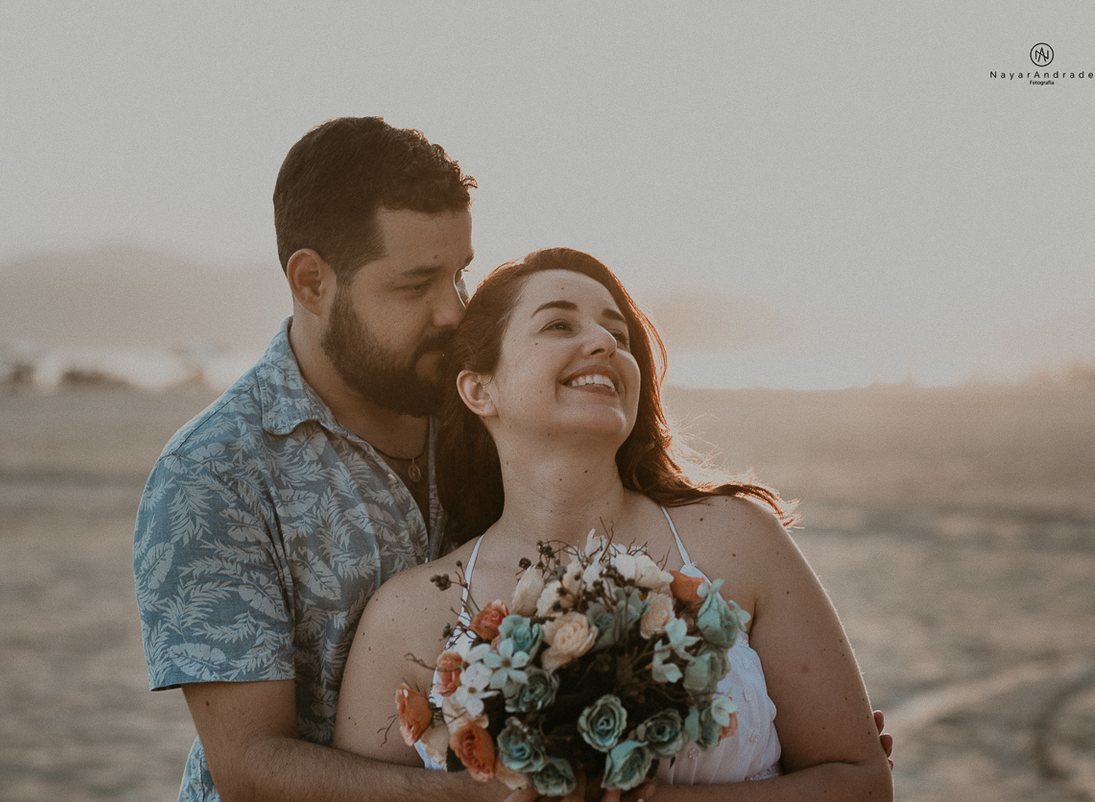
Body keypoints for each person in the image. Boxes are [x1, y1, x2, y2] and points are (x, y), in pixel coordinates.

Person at [332, 248, 894, 801]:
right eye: (558, 324)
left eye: (619, 337)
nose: (604, 344)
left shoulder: (738, 540)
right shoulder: (406, 614)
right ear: (480, 389)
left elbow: (862, 781)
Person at [133, 117, 512, 802]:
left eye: (460, 275)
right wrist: (486, 798)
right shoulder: (213, 473)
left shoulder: (483, 411)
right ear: (311, 282)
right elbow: (250, 767)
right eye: (415, 284)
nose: (453, 313)